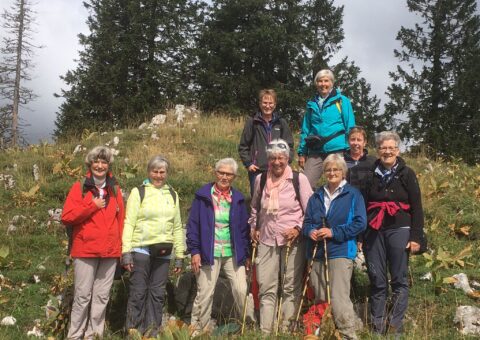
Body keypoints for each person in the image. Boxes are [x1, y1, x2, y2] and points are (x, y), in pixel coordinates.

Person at [362, 131, 425, 336]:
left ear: (398, 150)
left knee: (399, 279)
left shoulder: (407, 174)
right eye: (383, 148)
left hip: (400, 228)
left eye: (391, 148)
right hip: (374, 231)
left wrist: (415, 237)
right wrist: (360, 237)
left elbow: (417, 207)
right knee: (377, 278)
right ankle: (377, 327)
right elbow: (363, 206)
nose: (387, 151)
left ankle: (395, 326)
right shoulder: (371, 174)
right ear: (377, 150)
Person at [249, 139, 313, 333]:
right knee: (266, 286)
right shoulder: (261, 179)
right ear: (268, 160)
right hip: (267, 239)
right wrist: (254, 227)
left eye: (281, 158)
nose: (277, 162)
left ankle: (286, 329)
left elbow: (311, 210)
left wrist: (297, 228)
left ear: (287, 159)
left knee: (290, 286)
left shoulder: (298, 179)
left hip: (293, 241)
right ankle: (266, 331)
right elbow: (255, 208)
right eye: (273, 158)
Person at [61, 146, 125, 340]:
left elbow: (121, 220)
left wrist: (121, 250)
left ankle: (93, 336)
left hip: (110, 252)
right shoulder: (79, 187)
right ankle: (74, 336)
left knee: (101, 297)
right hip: (85, 251)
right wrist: (92, 206)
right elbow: (67, 216)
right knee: (82, 297)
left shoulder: (115, 189)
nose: (100, 165)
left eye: (104, 162)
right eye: (96, 161)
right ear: (90, 164)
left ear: (108, 165)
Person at [186, 158, 255, 334]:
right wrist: (194, 251)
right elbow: (193, 225)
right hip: (209, 252)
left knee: (241, 289)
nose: (224, 177)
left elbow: (243, 229)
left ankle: (248, 326)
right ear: (215, 173)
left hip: (233, 253)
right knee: (205, 293)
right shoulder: (202, 196)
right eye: (221, 173)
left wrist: (246, 254)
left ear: (234, 176)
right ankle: (198, 330)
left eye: (228, 174)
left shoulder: (238, 199)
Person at [303, 154, 366, 340]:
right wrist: (310, 232)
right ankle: (324, 333)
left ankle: (348, 335)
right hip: (317, 253)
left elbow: (360, 223)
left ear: (343, 172)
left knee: (339, 298)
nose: (332, 173)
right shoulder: (316, 196)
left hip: (341, 251)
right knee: (321, 298)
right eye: (328, 169)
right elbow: (307, 222)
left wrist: (333, 232)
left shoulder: (353, 194)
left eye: (336, 169)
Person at [121, 155, 185, 337]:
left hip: (164, 251)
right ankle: (134, 333)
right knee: (138, 293)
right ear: (148, 172)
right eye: (154, 171)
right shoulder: (138, 192)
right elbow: (129, 223)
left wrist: (179, 255)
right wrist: (126, 251)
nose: (158, 175)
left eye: (162, 172)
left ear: (167, 173)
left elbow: (178, 226)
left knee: (157, 295)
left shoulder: (173, 194)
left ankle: (152, 333)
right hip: (141, 249)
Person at [297, 69, 356, 189]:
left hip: (337, 149)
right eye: (320, 81)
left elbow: (350, 125)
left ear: (332, 83)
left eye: (326, 81)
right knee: (305, 184)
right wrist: (302, 153)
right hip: (315, 150)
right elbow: (306, 129)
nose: (323, 84)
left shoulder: (342, 101)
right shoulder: (311, 104)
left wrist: (350, 148)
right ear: (316, 84)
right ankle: (310, 207)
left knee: (339, 183)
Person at [238, 89, 294, 196]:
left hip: (278, 168)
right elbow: (243, 146)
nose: (267, 106)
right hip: (257, 170)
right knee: (257, 200)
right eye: (264, 103)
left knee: (278, 199)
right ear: (260, 104)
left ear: (275, 104)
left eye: (270, 103)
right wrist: (248, 163)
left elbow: (289, 145)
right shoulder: (252, 122)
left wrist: (287, 161)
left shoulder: (281, 122)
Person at [343, 126, 376, 198]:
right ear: (348, 141)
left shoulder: (373, 162)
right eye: (352, 139)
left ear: (364, 142)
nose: (355, 143)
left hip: (366, 202)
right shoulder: (341, 161)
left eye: (359, 140)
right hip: (345, 201)